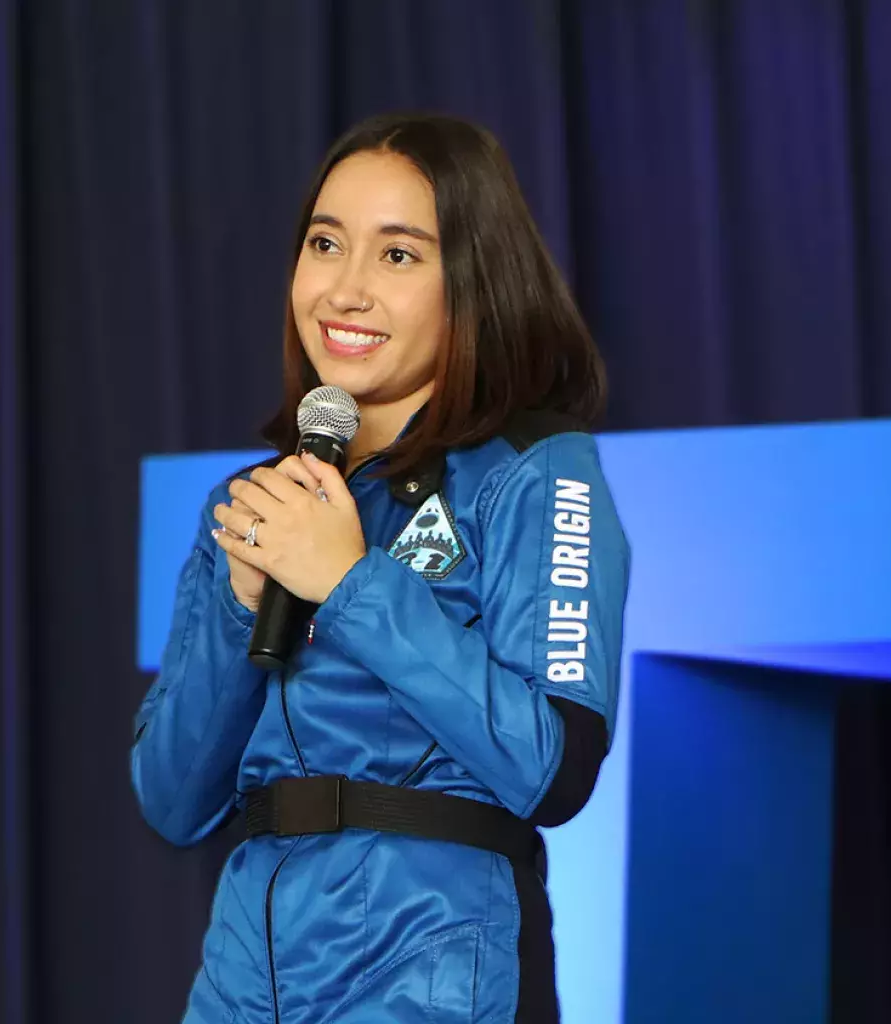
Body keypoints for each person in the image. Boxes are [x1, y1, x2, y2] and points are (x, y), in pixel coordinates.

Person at [131, 111, 629, 1023]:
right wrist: (240, 609)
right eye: (326, 244)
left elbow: (554, 769)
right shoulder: (256, 499)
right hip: (245, 980)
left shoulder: (537, 470)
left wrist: (354, 587)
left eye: (398, 256)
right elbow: (171, 800)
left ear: (472, 282)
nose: (345, 290)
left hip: (433, 968)